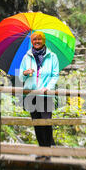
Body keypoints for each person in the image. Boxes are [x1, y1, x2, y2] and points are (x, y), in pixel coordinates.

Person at [18, 31, 59, 162]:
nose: (36, 41)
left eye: (39, 39)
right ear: (31, 41)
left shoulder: (52, 57)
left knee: (46, 123)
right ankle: (42, 151)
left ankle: (48, 152)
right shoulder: (27, 57)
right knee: (37, 124)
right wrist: (25, 72)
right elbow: (20, 77)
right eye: (34, 39)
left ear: (44, 40)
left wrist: (49, 88)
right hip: (31, 95)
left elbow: (55, 75)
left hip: (46, 94)